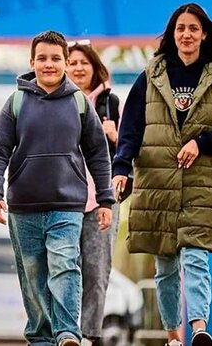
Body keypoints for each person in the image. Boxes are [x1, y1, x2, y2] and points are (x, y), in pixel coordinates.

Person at [0, 31, 115, 346]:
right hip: (24, 207)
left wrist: (105, 199)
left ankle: (67, 333)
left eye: (56, 58)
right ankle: (41, 338)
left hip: (67, 205)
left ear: (65, 62)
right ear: (32, 62)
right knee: (33, 277)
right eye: (42, 58)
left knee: (64, 265)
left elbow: (98, 153)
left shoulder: (79, 103)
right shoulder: (16, 102)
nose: (49, 64)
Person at [112, 3, 212, 346]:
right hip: (157, 182)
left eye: (193, 28)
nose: (186, 34)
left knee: (195, 256)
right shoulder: (152, 76)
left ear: (204, 34)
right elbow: (130, 128)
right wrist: (121, 168)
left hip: (202, 184)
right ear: (172, 35)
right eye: (180, 28)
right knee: (166, 266)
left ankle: (198, 329)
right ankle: (174, 336)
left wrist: (201, 143)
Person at [66, 41, 122, 344]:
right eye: (72, 62)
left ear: (95, 67)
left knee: (97, 272)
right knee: (63, 269)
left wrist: (115, 136)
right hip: (64, 198)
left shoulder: (111, 102)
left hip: (103, 200)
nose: (77, 68)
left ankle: (89, 336)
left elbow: (130, 150)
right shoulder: (56, 100)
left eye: (83, 62)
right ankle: (65, 333)